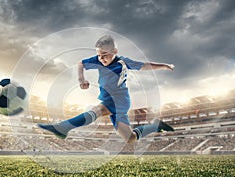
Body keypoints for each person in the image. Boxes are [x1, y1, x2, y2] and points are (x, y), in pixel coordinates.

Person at [38, 35, 174, 143]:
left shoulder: (122, 62)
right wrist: (81, 79)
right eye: (99, 55)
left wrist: (164, 66)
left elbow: (144, 65)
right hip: (109, 99)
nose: (101, 59)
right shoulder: (98, 59)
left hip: (119, 99)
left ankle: (63, 127)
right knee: (130, 138)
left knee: (97, 110)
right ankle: (155, 126)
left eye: (105, 54)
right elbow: (81, 64)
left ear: (114, 51)